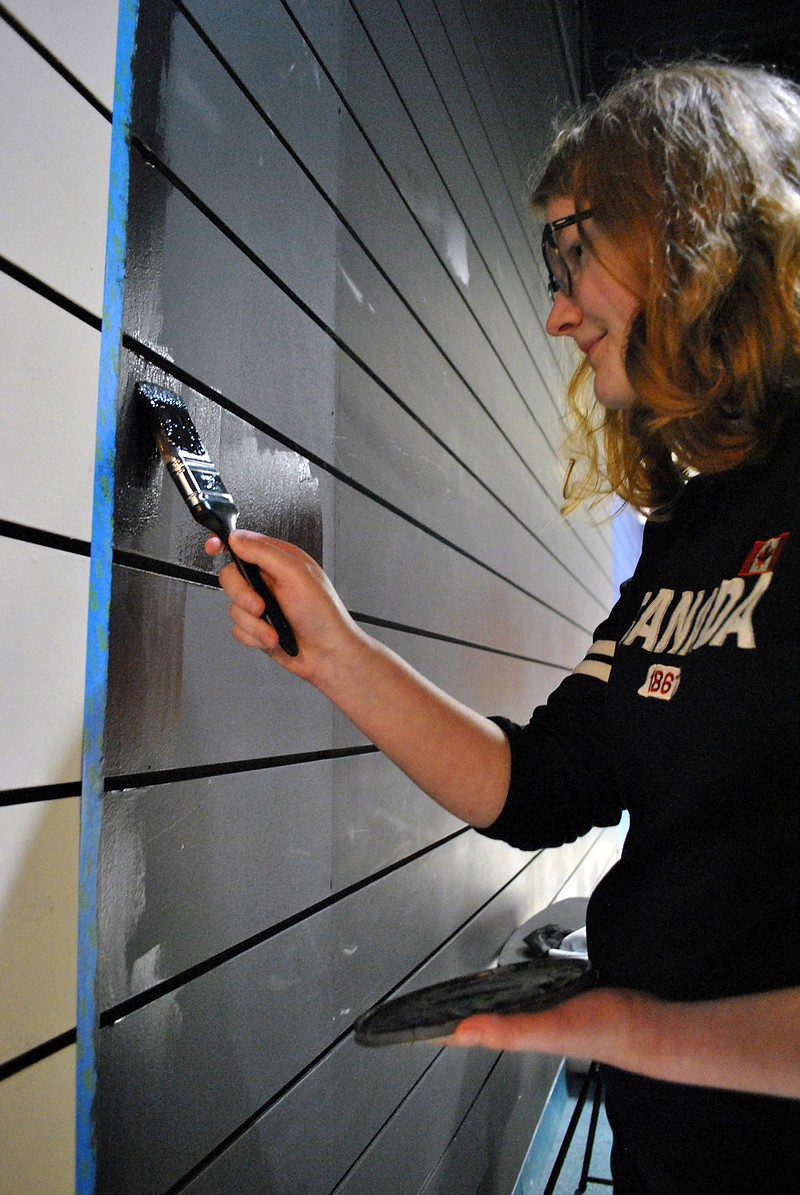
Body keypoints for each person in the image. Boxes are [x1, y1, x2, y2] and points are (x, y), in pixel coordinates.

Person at [206, 61, 800, 1193]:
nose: (554, 307)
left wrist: (634, 1028)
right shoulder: (690, 529)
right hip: (667, 1141)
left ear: (698, 234)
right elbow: (537, 785)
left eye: (577, 251)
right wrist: (333, 650)